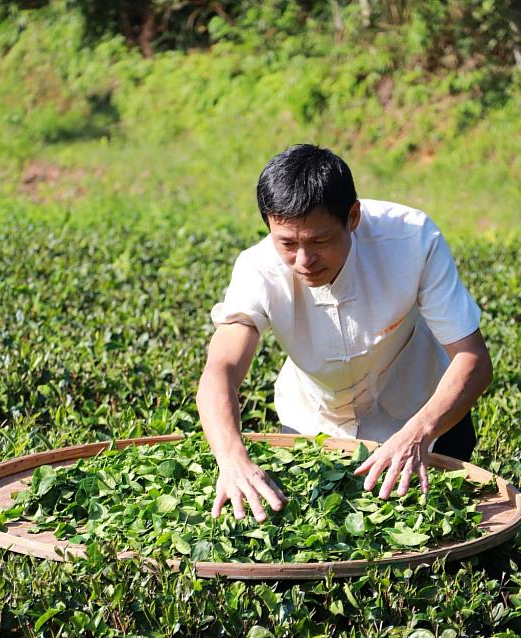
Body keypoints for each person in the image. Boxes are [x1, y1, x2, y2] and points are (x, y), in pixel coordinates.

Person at [196, 144, 493, 523]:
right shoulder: (257, 268)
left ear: (353, 216)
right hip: (317, 425)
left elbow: (473, 359)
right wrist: (231, 457)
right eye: (287, 243)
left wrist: (417, 433)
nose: (304, 261)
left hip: (423, 415)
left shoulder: (412, 240)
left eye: (319, 241)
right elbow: (220, 369)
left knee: (439, 533)